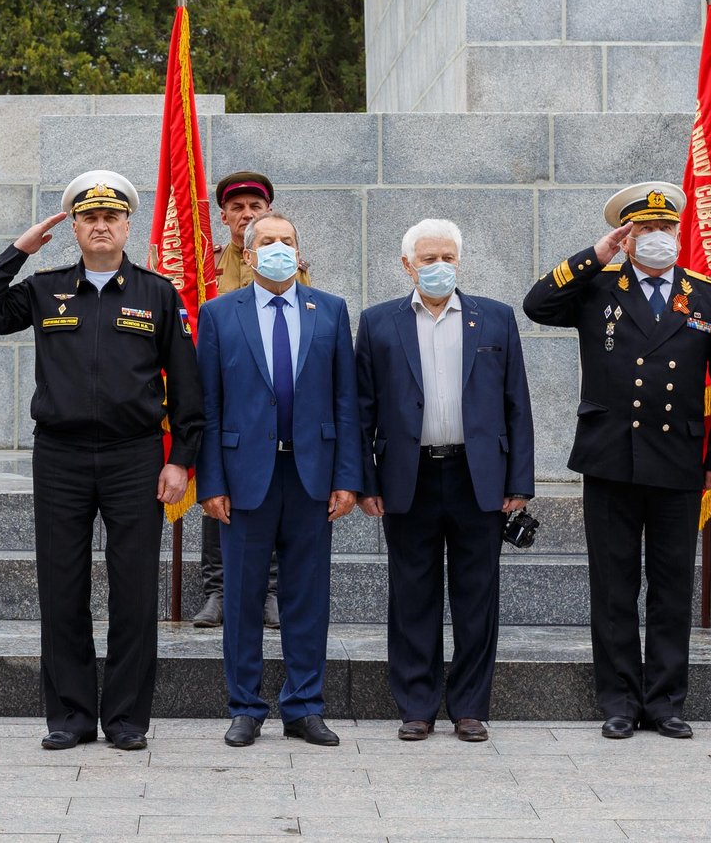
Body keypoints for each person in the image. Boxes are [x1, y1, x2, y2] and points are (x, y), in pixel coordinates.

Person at [0, 170, 202, 752]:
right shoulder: (46, 289)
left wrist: (182, 461)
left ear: (127, 226)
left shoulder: (156, 294)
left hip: (136, 457)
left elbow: (190, 388)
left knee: (135, 591)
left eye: (110, 218)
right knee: (62, 586)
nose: (100, 226)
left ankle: (125, 719)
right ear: (72, 227)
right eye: (88, 218)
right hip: (62, 457)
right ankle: (70, 716)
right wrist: (19, 250)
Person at [522, 181, 711, 741]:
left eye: (665, 228)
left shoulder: (706, 296)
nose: (657, 238)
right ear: (626, 237)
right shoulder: (598, 288)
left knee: (672, 586)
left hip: (679, 462)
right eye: (644, 229)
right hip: (610, 459)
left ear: (678, 233)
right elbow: (536, 304)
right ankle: (619, 700)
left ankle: (666, 701)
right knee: (615, 585)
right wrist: (593, 256)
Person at [355, 218, 533, 743]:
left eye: (448, 257)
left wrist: (519, 481)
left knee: (477, 596)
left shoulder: (495, 320)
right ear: (407, 265)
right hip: (407, 477)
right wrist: (366, 482)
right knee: (413, 594)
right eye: (428, 259)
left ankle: (470, 706)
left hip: (478, 477)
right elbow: (361, 410)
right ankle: (417, 705)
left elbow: (516, 405)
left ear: (461, 261)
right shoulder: (379, 323)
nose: (439, 267)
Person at [196, 212, 361, 748]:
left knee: (306, 597)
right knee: (243, 597)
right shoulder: (219, 315)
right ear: (247, 255)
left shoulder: (331, 311)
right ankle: (245, 706)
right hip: (244, 478)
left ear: (299, 251)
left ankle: (304, 706)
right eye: (266, 242)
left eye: (287, 241)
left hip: (311, 474)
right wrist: (211, 481)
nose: (277, 249)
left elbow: (346, 401)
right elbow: (210, 405)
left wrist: (347, 477)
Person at [195, 171, 306, 630]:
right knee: (217, 494)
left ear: (269, 213)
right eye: (237, 208)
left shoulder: (290, 266)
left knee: (273, 498)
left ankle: (272, 592)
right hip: (223, 397)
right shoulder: (207, 266)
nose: (246, 214)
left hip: (276, 404)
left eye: (254, 207)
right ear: (223, 216)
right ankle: (218, 591)